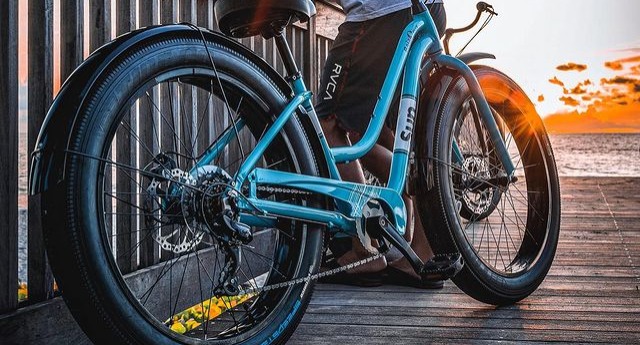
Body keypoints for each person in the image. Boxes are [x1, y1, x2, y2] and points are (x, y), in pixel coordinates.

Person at [317, 0, 447, 289]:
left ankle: (364, 250)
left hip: (379, 13)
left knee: (330, 125)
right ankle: (421, 252)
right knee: (398, 132)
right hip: (421, 9)